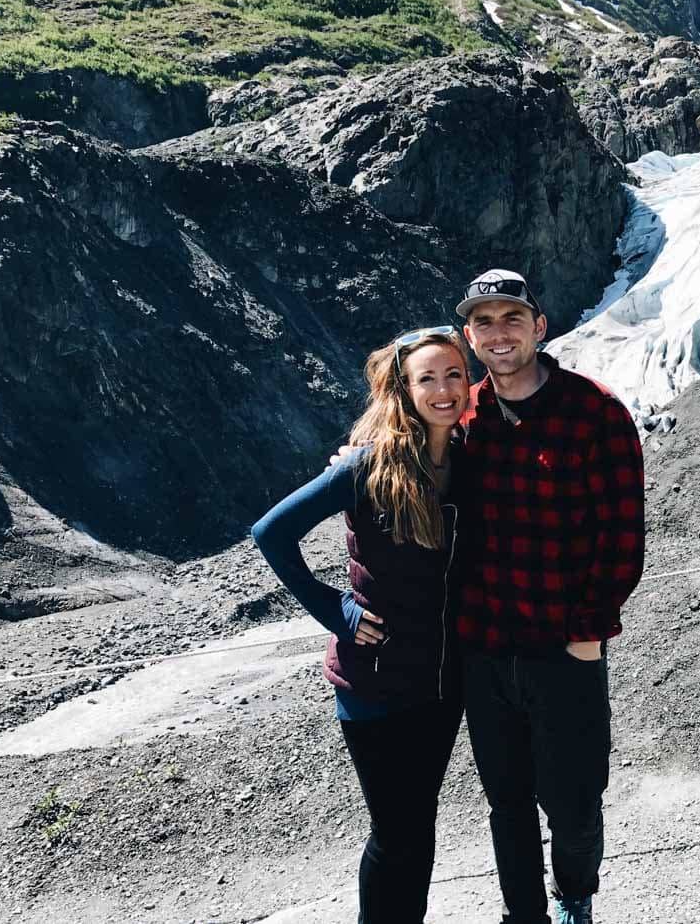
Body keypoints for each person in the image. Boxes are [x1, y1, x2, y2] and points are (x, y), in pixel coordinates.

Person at [252, 327, 472, 924]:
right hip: (373, 682)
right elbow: (271, 533)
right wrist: (336, 610)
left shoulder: (470, 458)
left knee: (417, 824)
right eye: (427, 378)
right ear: (404, 389)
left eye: (453, 374)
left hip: (441, 680)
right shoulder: (367, 466)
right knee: (396, 830)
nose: (443, 388)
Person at [455, 269, 646, 924]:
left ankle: (575, 895)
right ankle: (523, 914)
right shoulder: (463, 419)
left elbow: (623, 534)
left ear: (539, 326)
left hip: (564, 647)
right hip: (484, 647)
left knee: (574, 799)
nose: (498, 333)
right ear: (469, 335)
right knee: (505, 800)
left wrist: (589, 630)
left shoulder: (595, 412)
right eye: (484, 321)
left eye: (512, 318)